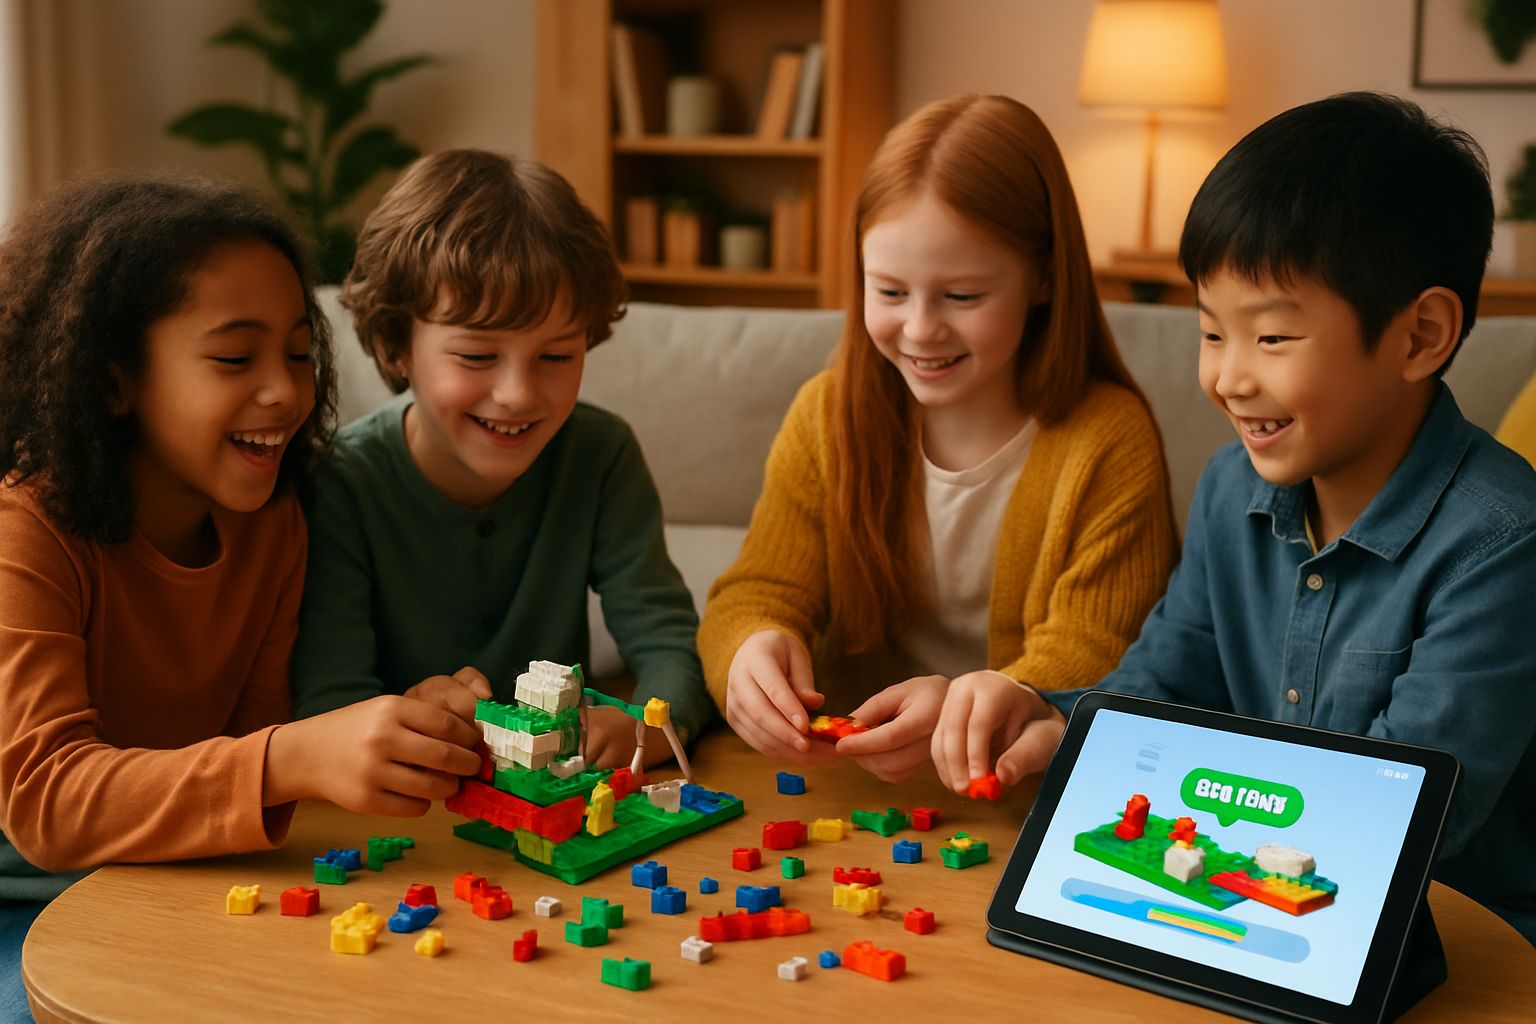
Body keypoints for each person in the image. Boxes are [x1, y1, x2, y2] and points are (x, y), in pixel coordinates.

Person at [935, 92, 1536, 945]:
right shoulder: (1230, 489)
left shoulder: (1503, 541)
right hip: (1258, 916)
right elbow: (1164, 689)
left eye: (1273, 339)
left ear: (1420, 336)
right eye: (1212, 332)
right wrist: (1050, 716)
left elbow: (1399, 826)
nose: (1227, 378)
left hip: (1461, 943)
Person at [0, 176, 485, 1019]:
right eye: (234, 357)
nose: (286, 392)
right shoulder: (27, 533)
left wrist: (403, 727)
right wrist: (297, 755)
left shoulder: (273, 524)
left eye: (300, 354)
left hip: (179, 876)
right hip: (26, 905)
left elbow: (261, 746)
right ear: (113, 379)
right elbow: (48, 802)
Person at [697, 95, 1177, 783]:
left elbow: (1098, 650)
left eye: (962, 297)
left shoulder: (1108, 438)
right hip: (843, 791)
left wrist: (964, 705)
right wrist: (750, 650)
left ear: (1043, 277)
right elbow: (757, 591)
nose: (920, 330)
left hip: (1014, 794)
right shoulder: (825, 415)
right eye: (889, 292)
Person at [289, 149, 710, 766]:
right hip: (405, 816)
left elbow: (670, 642)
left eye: (557, 357)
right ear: (394, 345)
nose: (517, 394)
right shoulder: (341, 481)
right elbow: (330, 700)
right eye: (477, 357)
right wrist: (407, 715)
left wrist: (640, 728)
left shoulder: (600, 455)